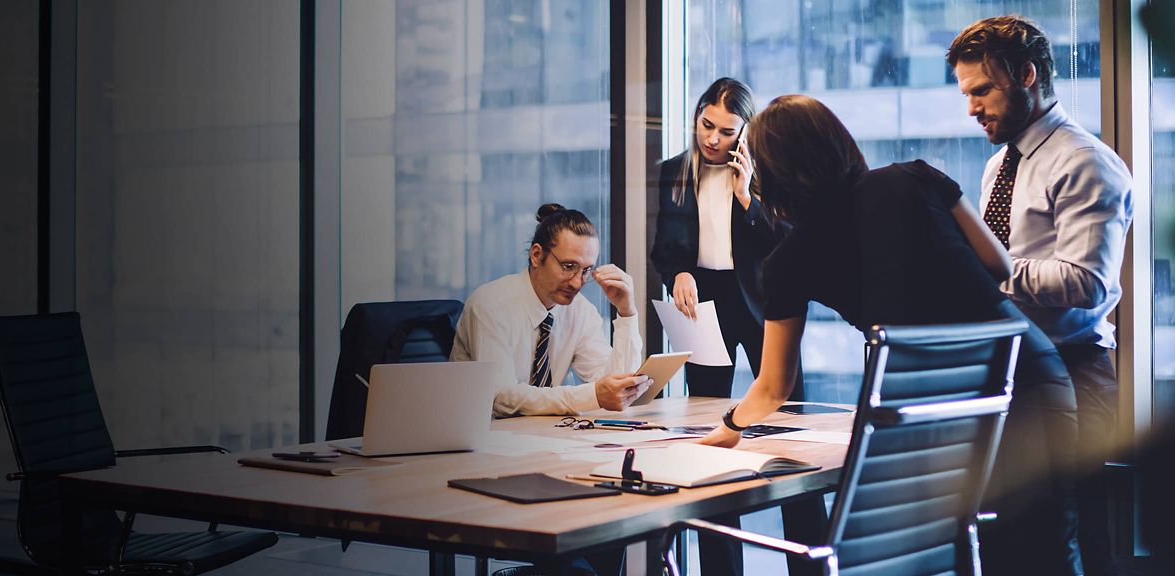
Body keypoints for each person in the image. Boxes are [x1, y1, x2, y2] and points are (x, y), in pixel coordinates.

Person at [699, 94, 1082, 575]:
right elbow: (1001, 266)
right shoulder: (914, 177)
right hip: (1024, 371)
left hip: (926, 405)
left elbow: (774, 386)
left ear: (771, 175)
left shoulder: (789, 260)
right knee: (1049, 547)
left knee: (960, 550)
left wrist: (730, 426)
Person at [948, 16, 1134, 576]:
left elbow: (1088, 282)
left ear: (1026, 75)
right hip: (1016, 372)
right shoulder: (998, 164)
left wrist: (991, 268)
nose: (972, 109)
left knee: (1070, 538)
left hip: (1077, 375)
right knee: (1022, 540)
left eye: (982, 90)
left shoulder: (1085, 161)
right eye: (966, 94)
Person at [651, 77, 800, 401]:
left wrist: (747, 198)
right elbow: (664, 248)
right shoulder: (675, 171)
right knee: (704, 404)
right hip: (702, 301)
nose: (713, 139)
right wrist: (678, 274)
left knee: (785, 403)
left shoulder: (771, 171)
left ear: (746, 132)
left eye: (727, 132)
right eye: (707, 125)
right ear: (697, 115)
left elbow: (789, 244)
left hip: (761, 297)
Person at [452, 203, 649, 417]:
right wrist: (592, 396)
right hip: (480, 437)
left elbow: (617, 390)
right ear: (537, 255)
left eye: (586, 270)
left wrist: (626, 313)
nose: (577, 283)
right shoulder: (490, 306)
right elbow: (501, 398)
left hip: (545, 436)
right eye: (568, 266)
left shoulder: (580, 311)